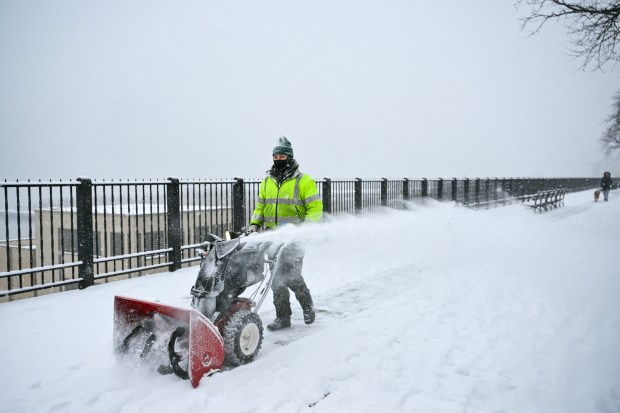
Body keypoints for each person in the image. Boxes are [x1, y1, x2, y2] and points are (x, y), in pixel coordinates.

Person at [249, 136, 323, 331]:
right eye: (275, 155)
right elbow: (261, 205)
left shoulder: (304, 181)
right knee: (276, 280)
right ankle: (283, 317)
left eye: (281, 155)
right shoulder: (268, 181)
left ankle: (308, 307)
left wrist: (305, 230)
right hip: (273, 238)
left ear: (289, 157)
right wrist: (254, 224)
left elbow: (315, 208)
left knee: (292, 276)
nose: (278, 158)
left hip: (295, 239)